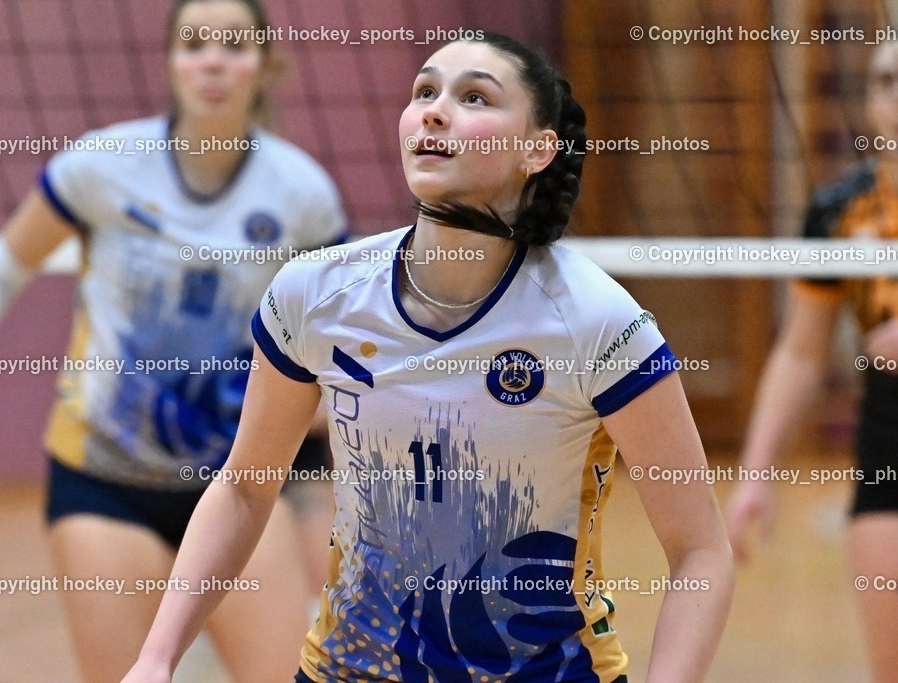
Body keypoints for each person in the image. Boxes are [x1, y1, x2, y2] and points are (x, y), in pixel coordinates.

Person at [123, 33, 734, 683]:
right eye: (424, 92)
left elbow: (700, 550)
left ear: (538, 148)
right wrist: (156, 657)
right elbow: (245, 488)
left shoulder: (594, 320)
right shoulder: (315, 293)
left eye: (474, 96)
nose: (435, 111)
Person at [0, 1, 345, 681]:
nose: (212, 60)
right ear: (170, 61)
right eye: (194, 43)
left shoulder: (301, 194)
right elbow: (3, 267)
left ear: (265, 66)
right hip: (104, 485)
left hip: (236, 482)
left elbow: (338, 333)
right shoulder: (102, 166)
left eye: (233, 45)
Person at [727, 37, 898, 683]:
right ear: (869, 103)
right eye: (887, 82)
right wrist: (755, 471)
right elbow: (801, 352)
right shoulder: (839, 211)